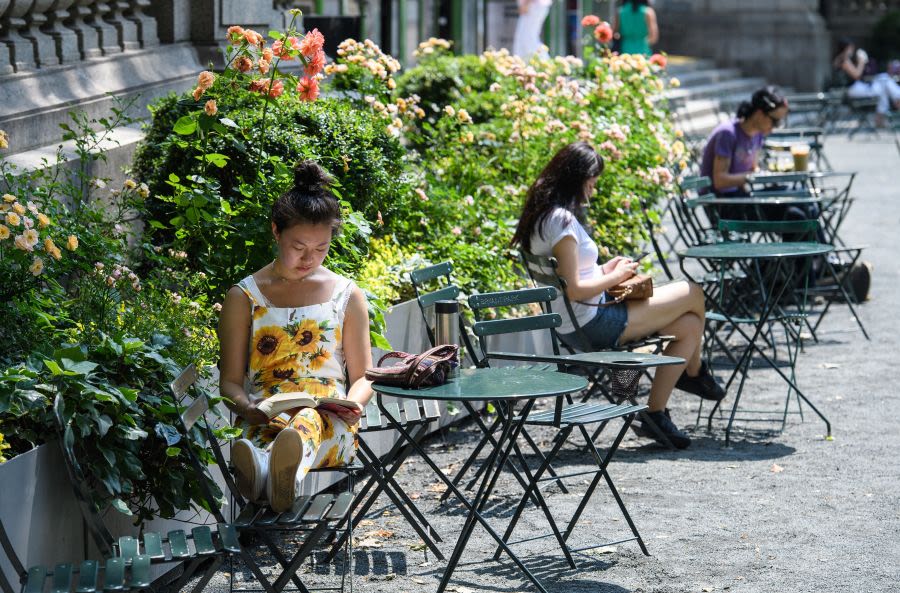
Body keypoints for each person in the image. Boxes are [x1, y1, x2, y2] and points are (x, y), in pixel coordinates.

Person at [511, 142, 724, 449]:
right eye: (591, 183)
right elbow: (575, 290)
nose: (592, 191)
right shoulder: (561, 222)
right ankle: (694, 371)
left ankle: (655, 415)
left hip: (579, 321)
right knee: (693, 292)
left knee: (689, 326)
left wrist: (603, 270)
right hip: (592, 324)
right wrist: (617, 276)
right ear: (577, 179)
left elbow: (574, 277)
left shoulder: (544, 216)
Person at [218, 161, 373, 512]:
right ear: (276, 231)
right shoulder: (244, 298)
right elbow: (228, 383)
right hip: (265, 417)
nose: (309, 258)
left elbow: (364, 375)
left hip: (329, 422)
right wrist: (247, 408)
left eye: (321, 248)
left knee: (306, 419)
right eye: (299, 246)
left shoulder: (347, 295)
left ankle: (263, 474)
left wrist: (356, 404)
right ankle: (272, 471)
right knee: (279, 429)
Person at [832, 37, 900, 128]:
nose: (852, 50)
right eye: (851, 48)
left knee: (883, 85)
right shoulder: (844, 60)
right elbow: (857, 75)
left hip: (853, 89)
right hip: (852, 90)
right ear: (846, 48)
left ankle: (880, 121)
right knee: (885, 80)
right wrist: (861, 62)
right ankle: (897, 101)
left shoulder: (840, 59)